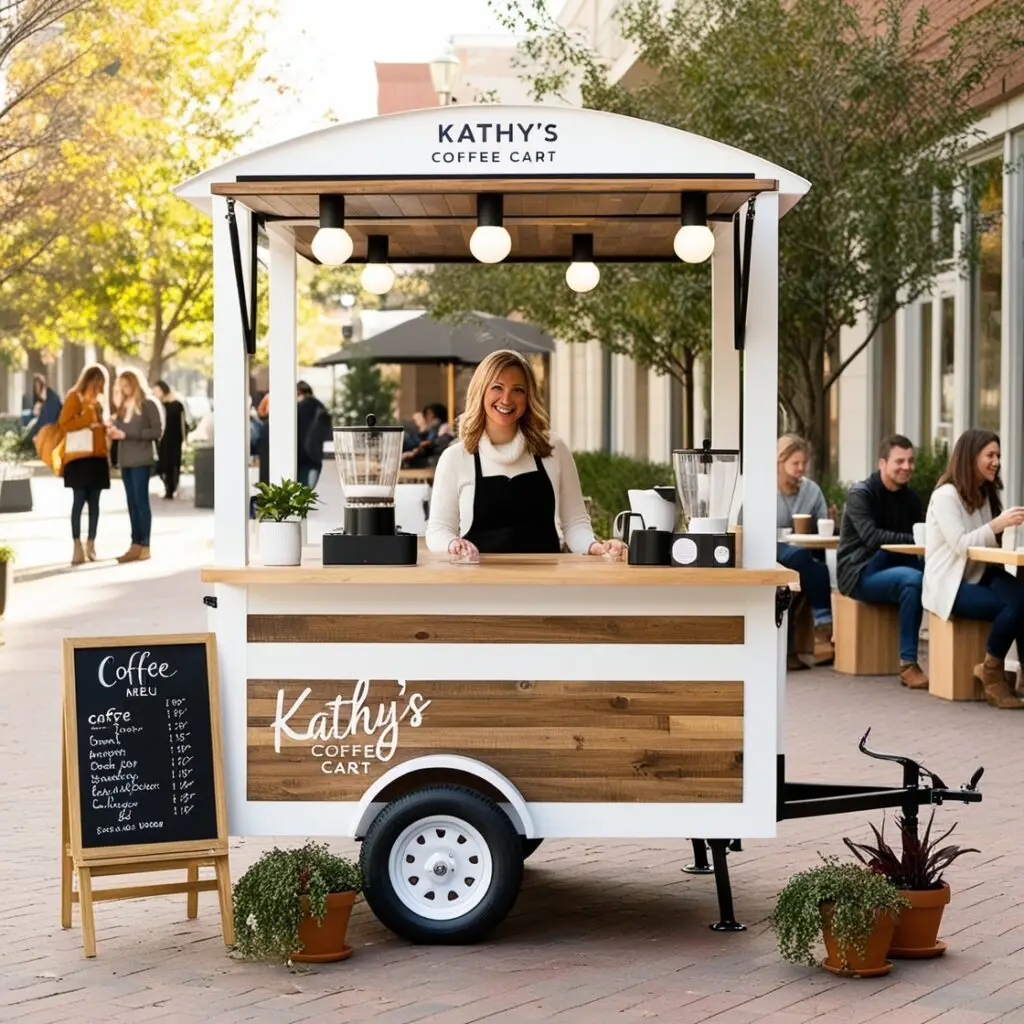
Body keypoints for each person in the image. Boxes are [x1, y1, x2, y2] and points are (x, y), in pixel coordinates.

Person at [426, 349, 625, 559]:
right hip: (479, 577)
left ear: (528, 396)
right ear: (480, 391)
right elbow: (438, 530)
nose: (506, 399)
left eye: (518, 390)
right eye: (497, 387)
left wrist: (594, 546)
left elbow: (575, 523)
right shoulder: (456, 457)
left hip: (545, 578)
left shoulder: (553, 448)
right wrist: (453, 544)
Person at [922, 429, 1024, 709]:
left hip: (980, 573)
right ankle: (991, 673)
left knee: (1021, 599)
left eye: (998, 455)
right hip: (951, 584)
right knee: (1014, 608)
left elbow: (985, 545)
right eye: (990, 455)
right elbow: (961, 545)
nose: (996, 462)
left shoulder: (985, 494)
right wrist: (997, 524)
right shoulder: (945, 496)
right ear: (970, 457)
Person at [837, 434, 927, 689]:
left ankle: (956, 662)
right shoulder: (861, 494)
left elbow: (920, 538)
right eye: (900, 461)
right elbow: (871, 537)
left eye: (910, 461)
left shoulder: (912, 499)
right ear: (882, 463)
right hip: (859, 570)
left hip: (895, 564)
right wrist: (913, 539)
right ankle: (908, 664)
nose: (907, 467)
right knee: (913, 580)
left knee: (937, 576)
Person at [775, 434, 833, 667]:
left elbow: (822, 526)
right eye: (795, 463)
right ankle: (822, 632)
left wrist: (830, 522)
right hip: (771, 550)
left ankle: (812, 638)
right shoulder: (763, 488)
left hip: (805, 553)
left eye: (804, 463)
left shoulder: (811, 490)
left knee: (814, 566)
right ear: (780, 462)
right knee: (803, 564)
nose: (801, 468)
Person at [108, 369, 163, 563]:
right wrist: (114, 431)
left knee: (141, 502)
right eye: (121, 386)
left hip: (141, 459)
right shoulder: (122, 406)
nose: (124, 389)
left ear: (135, 383)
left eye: (126, 385)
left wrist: (128, 435)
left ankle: (145, 544)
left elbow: (157, 431)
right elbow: (121, 430)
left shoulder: (148, 404)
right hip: (126, 460)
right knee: (131, 503)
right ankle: (135, 544)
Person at [59, 365, 111, 566]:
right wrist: (87, 419)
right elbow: (65, 424)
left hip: (97, 457)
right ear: (88, 380)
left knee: (95, 503)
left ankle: (91, 543)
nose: (97, 388)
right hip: (79, 458)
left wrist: (103, 426)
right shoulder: (74, 397)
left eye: (101, 384)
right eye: (95, 383)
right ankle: (76, 546)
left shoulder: (100, 400)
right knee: (79, 501)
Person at [151, 380, 187, 499]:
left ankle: (171, 489)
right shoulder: (159, 405)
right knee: (163, 465)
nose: (155, 393)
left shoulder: (177, 404)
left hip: (174, 440)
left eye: (157, 391)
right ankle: (168, 488)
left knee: (172, 464)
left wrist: (184, 439)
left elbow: (182, 424)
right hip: (163, 440)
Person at [296, 381, 331, 488]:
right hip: (315, 456)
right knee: (309, 491)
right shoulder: (320, 407)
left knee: (299, 491)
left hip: (300, 457)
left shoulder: (297, 408)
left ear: (298, 392)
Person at [27, 374, 62, 440]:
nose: (37, 391)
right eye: (35, 388)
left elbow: (47, 422)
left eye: (39, 387)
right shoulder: (42, 400)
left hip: (53, 435)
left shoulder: (52, 400)